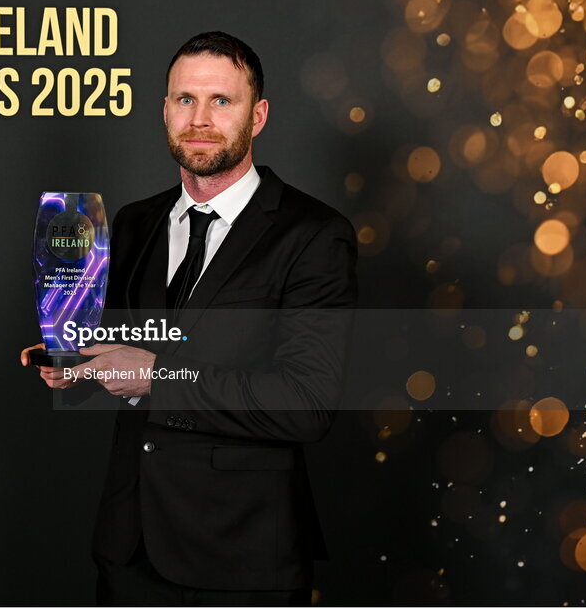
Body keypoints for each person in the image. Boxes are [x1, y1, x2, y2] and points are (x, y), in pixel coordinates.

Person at [21, 31, 357, 606]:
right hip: (128, 554)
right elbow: (124, 358)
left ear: (258, 116)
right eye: (185, 100)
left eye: (221, 101)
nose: (199, 118)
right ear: (165, 111)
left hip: (241, 559)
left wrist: (157, 374)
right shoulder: (132, 222)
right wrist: (75, 366)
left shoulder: (313, 235)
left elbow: (306, 404)